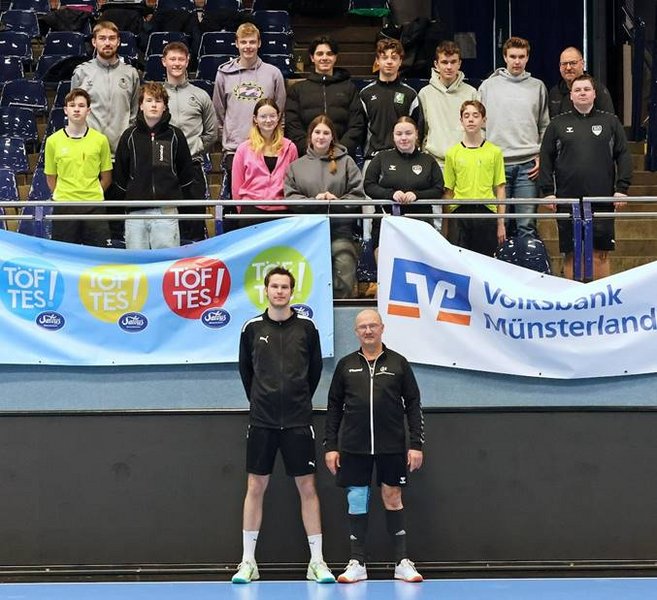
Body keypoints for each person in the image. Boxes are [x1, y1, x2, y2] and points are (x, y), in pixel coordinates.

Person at [235, 266, 334, 585]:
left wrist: (296, 400)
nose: (279, 291)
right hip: (262, 421)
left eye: (284, 287)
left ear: (292, 292)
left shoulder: (307, 328)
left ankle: (317, 562)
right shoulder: (251, 328)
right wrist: (263, 400)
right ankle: (248, 562)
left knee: (308, 488)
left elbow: (314, 372)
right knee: (255, 487)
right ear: (266, 290)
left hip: (297, 421)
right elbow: (247, 373)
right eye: (274, 286)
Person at [324, 308, 424, 584]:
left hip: (391, 446)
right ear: (356, 332)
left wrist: (416, 443)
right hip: (354, 447)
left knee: (392, 497)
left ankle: (401, 562)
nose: (368, 331)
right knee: (356, 499)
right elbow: (334, 407)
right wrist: (331, 446)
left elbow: (413, 404)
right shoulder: (345, 365)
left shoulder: (399, 363)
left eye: (372, 326)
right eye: (362, 327)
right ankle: (357, 563)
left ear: (382, 328)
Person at [539, 74, 632, 280]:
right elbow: (545, 158)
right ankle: (575, 297)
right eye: (578, 90)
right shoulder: (557, 124)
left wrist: (622, 188)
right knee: (572, 253)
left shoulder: (610, 122)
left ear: (594, 94)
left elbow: (624, 155)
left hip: (601, 199)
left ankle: (600, 297)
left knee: (600, 252)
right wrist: (547, 192)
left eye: (586, 89)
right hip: (568, 200)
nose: (582, 93)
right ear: (571, 95)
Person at [71, 20, 140, 242]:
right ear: (94, 42)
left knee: (118, 215)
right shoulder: (82, 73)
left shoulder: (131, 74)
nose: (107, 43)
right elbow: (75, 111)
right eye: (102, 38)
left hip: (120, 156)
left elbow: (134, 113)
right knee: (92, 216)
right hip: (89, 155)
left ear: (118, 42)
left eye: (111, 38)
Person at [285, 115, 366, 299]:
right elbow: (290, 197)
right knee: (309, 277)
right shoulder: (296, 166)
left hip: (340, 230)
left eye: (326, 133)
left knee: (344, 267)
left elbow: (357, 194)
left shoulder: (347, 162)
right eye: (317, 132)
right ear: (310, 135)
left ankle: (342, 310)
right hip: (307, 232)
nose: (321, 137)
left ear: (332, 137)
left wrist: (337, 202)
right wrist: (314, 201)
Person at [478, 36, 549, 237]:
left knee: (526, 225)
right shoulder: (487, 87)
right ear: (505, 57)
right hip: (497, 164)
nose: (517, 61)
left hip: (529, 166)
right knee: (500, 226)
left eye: (521, 57)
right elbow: (479, 126)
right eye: (512, 56)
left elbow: (545, 125)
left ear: (527, 58)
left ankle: (526, 257)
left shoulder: (538, 87)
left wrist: (541, 155)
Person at [113, 82, 196, 250]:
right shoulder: (129, 136)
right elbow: (120, 176)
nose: (153, 105)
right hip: (135, 212)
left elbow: (186, 173)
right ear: (141, 105)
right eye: (149, 100)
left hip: (166, 211)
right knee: (136, 262)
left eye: (158, 101)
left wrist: (173, 197)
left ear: (164, 106)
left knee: (165, 261)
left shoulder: (175, 135)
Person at [212, 22, 286, 204]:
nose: (248, 46)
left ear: (259, 43)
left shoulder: (273, 74)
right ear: (236, 43)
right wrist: (227, 137)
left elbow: (280, 112)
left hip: (267, 149)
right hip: (235, 149)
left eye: (252, 42)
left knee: (266, 203)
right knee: (237, 203)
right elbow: (218, 111)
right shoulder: (223, 74)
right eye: (243, 42)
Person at [162, 41, 218, 243]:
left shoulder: (200, 95)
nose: (176, 63)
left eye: (181, 59)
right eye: (172, 59)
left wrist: (195, 147)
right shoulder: (156, 95)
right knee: (165, 225)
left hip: (192, 167)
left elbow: (212, 132)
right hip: (162, 168)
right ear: (164, 62)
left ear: (187, 62)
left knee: (194, 224)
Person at [364, 116, 444, 255]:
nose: (403, 138)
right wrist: (390, 194)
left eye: (408, 133)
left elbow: (438, 189)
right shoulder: (382, 158)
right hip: (388, 220)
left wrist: (417, 195)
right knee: (384, 259)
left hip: (420, 222)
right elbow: (369, 185)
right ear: (393, 136)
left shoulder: (428, 160)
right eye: (399, 134)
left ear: (416, 134)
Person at [44, 88, 112, 247]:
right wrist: (64, 194)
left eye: (81, 106)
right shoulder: (53, 141)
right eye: (72, 105)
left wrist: (93, 193)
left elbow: (107, 177)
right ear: (65, 110)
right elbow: (50, 177)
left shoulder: (100, 140)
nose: (76, 109)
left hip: (94, 205)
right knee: (63, 255)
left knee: (98, 255)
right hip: (64, 206)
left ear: (88, 111)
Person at [443, 100, 506, 257]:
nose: (471, 119)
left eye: (475, 115)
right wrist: (446, 224)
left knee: (485, 261)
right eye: (466, 116)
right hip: (459, 213)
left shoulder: (494, 152)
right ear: (461, 121)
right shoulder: (452, 153)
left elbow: (500, 188)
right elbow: (448, 191)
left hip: (486, 212)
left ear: (483, 120)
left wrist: (500, 223)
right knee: (459, 261)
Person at [285, 36, 365, 159]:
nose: (324, 58)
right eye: (319, 54)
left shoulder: (349, 88)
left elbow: (357, 124)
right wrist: (310, 149)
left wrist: (340, 151)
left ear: (335, 57)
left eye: (329, 54)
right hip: (308, 158)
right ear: (312, 57)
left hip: (342, 158)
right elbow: (293, 125)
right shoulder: (298, 90)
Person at [231, 98, 298, 228]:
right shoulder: (243, 149)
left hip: (283, 210)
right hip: (252, 211)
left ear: (278, 117)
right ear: (255, 119)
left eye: (272, 116)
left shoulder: (290, 148)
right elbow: (236, 185)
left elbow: (295, 182)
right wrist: (242, 211)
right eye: (263, 116)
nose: (268, 120)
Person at [359, 39, 422, 162]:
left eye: (394, 58)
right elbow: (360, 131)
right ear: (377, 61)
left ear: (400, 61)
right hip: (373, 158)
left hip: (404, 159)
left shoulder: (410, 94)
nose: (389, 62)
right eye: (384, 57)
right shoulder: (365, 94)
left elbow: (417, 129)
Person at [418, 41, 478, 168]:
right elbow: (421, 131)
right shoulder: (425, 94)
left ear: (459, 63)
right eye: (444, 62)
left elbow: (479, 129)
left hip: (465, 162)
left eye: (453, 62)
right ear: (436, 64)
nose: (449, 67)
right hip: (434, 163)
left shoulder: (472, 93)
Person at [548, 47, 615, 118]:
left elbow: (609, 121)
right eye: (564, 64)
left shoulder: (597, 90)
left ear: (583, 64)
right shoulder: (555, 93)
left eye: (573, 63)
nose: (568, 68)